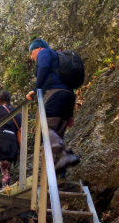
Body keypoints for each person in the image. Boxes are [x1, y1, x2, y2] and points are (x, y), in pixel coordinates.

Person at [25, 38, 80, 170]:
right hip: (68, 96)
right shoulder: (58, 62)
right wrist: (70, 115)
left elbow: (43, 67)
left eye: (31, 54)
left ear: (36, 49)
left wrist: (35, 89)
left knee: (44, 128)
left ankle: (63, 155)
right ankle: (59, 176)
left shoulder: (44, 53)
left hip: (55, 95)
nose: (33, 59)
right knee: (56, 135)